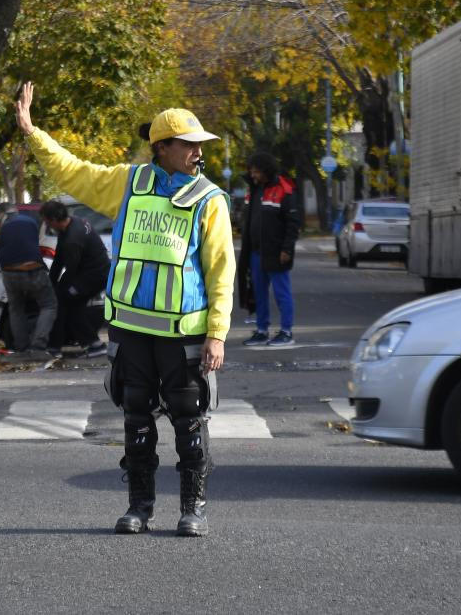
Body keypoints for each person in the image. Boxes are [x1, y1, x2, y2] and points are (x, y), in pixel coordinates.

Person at [15, 82, 235, 537]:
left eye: (200, 145)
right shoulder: (129, 184)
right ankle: (140, 507)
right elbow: (73, 171)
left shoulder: (209, 200)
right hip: (131, 330)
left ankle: (193, 509)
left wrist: (217, 333)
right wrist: (33, 133)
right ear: (162, 147)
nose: (198, 152)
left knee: (189, 421)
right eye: (189, 144)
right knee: (135, 419)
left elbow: (221, 271)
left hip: (184, 335)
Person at [239, 151, 301, 348]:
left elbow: (293, 224)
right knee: (259, 293)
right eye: (252, 171)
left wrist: (287, 249)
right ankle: (262, 330)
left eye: (256, 172)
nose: (254, 175)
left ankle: (286, 331)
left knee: (282, 293)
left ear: (266, 171)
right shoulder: (255, 189)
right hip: (256, 252)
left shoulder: (284, 189)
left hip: (276, 252)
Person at [40, 199, 110, 358]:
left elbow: (72, 271)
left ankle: (92, 344)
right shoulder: (72, 224)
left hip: (94, 276)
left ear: (54, 220)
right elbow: (58, 259)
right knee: (64, 300)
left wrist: (61, 289)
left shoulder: (73, 238)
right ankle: (58, 345)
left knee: (67, 303)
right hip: (89, 272)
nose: (48, 227)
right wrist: (52, 283)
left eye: (47, 223)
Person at [0, 203, 58, 361]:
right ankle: (37, 346)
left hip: (9, 273)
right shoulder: (29, 221)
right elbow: (34, 245)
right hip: (33, 269)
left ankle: (21, 348)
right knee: (49, 305)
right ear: (16, 210)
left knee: (16, 308)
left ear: (0, 213)